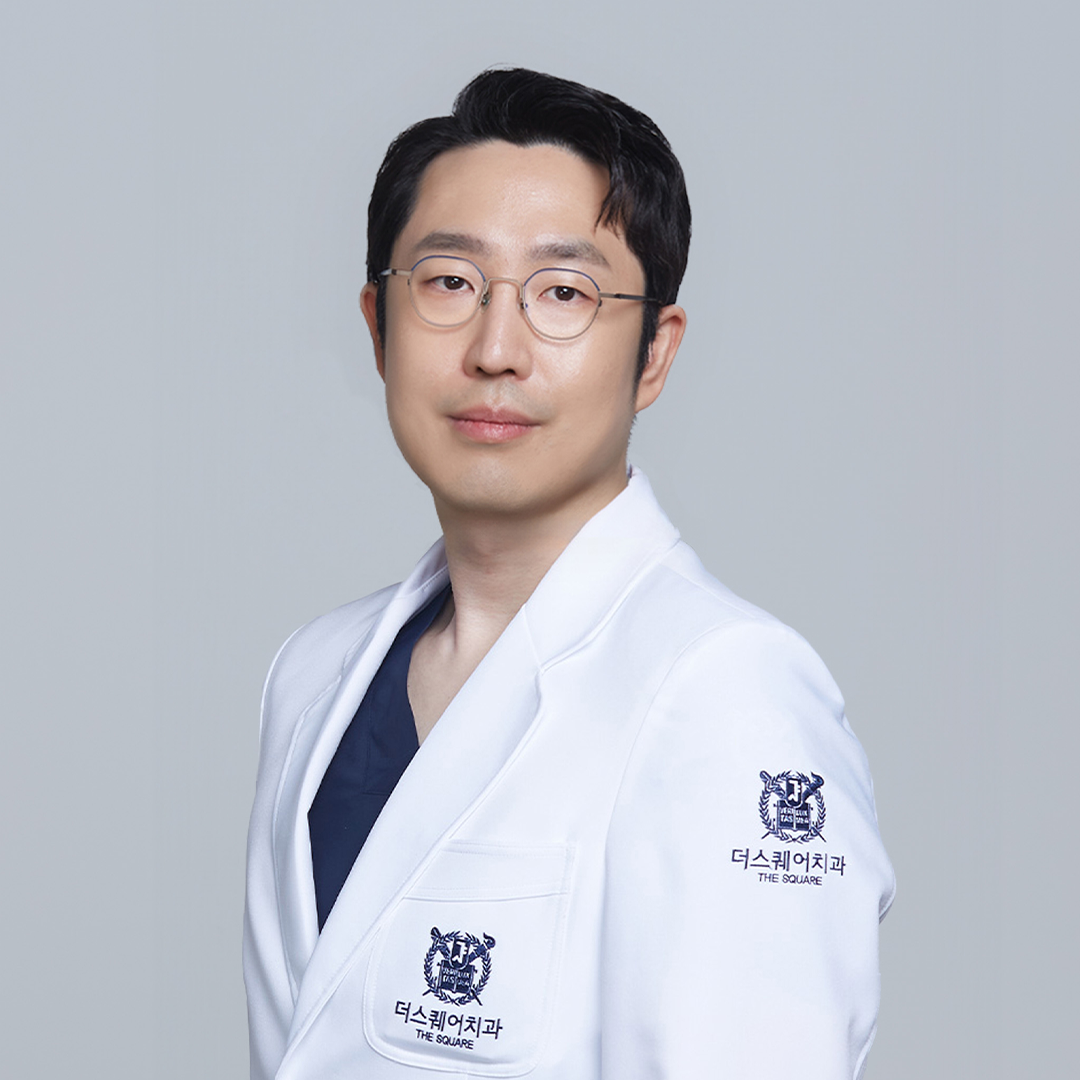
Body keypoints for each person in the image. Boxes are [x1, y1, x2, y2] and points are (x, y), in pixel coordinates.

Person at [243, 68, 894, 1080]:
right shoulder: (313, 673)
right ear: (378, 326)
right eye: (449, 283)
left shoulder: (728, 694)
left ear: (653, 355)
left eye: (563, 293)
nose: (496, 349)